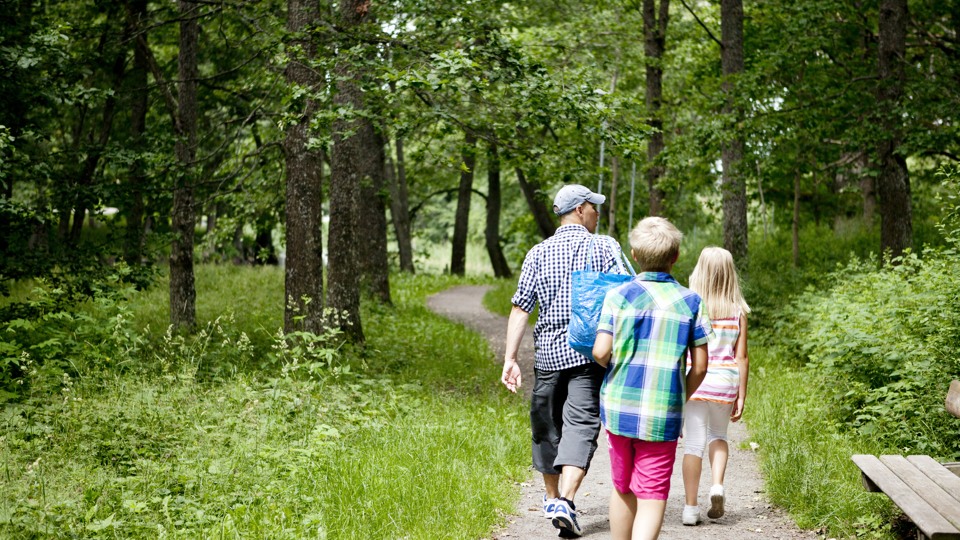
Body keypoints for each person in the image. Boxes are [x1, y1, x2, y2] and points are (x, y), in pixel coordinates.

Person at [501, 184, 626, 538]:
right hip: (591, 353)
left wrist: (511, 358)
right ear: (581, 209)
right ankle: (566, 501)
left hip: (549, 355)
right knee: (582, 424)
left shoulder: (537, 253)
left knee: (547, 426)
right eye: (595, 208)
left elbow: (520, 307)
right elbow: (627, 293)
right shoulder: (604, 246)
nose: (598, 215)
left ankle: (554, 497)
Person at [592, 216, 711, 540]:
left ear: (634, 254)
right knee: (652, 492)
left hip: (619, 409)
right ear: (675, 257)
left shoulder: (617, 296)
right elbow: (700, 366)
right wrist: (677, 396)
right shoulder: (691, 302)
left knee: (622, 485)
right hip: (663, 413)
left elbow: (601, 352)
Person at [680, 246, 750, 526]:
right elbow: (741, 356)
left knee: (693, 446)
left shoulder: (691, 306)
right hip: (725, 382)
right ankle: (717, 486)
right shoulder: (738, 310)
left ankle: (690, 508)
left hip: (696, 380)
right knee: (719, 436)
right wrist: (741, 394)